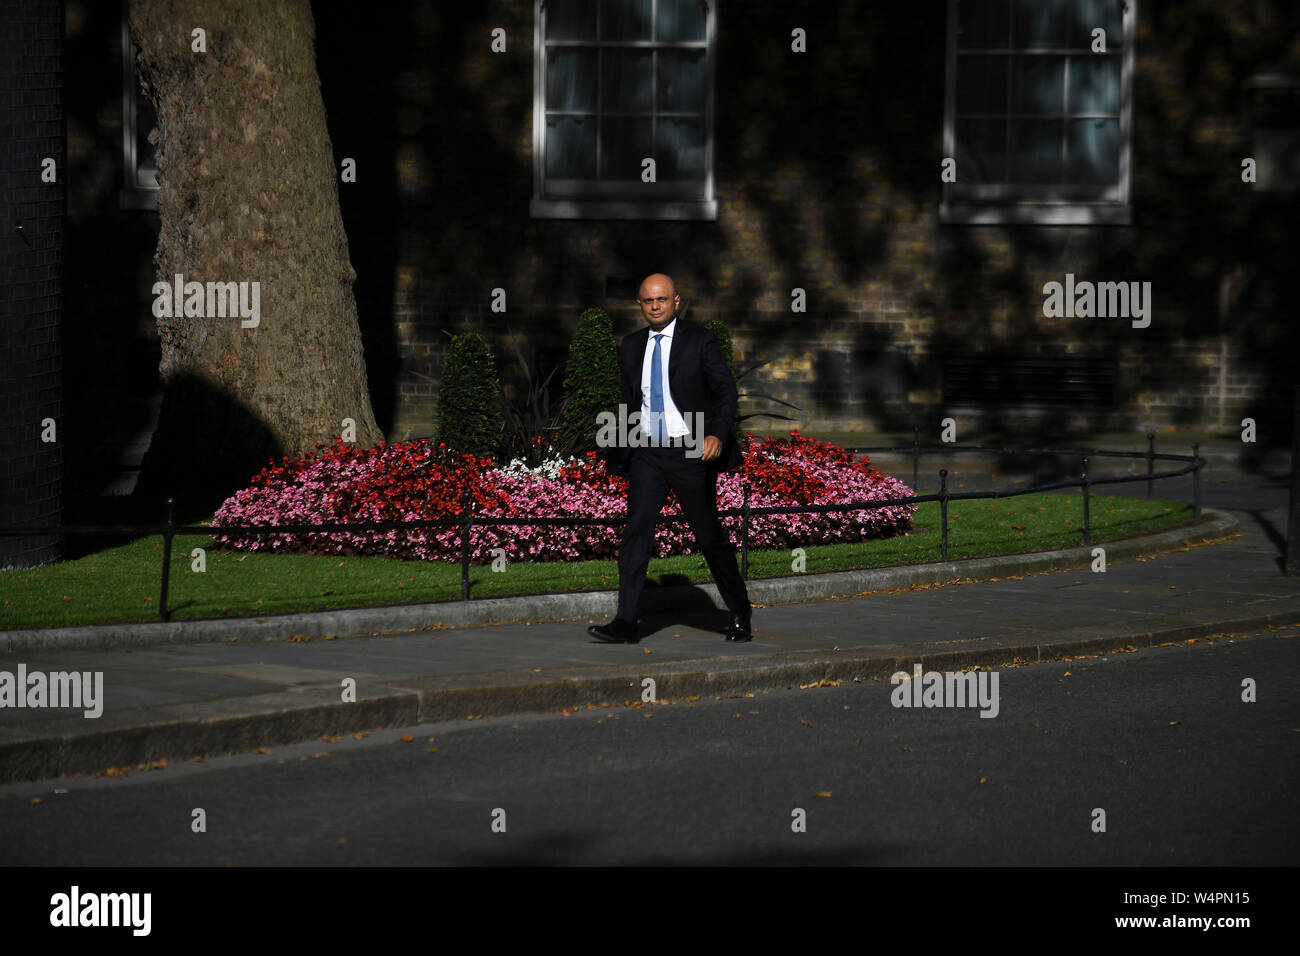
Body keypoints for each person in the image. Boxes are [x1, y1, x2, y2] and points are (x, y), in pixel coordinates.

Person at [587, 273, 753, 644]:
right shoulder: (630, 346)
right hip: (647, 450)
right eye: (648, 301)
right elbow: (631, 401)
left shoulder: (700, 341)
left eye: (662, 299)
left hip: (691, 449)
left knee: (708, 536)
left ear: (676, 301)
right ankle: (627, 622)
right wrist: (620, 447)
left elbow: (725, 392)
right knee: (636, 533)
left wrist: (716, 433)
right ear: (640, 305)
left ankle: (739, 611)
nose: (656, 306)